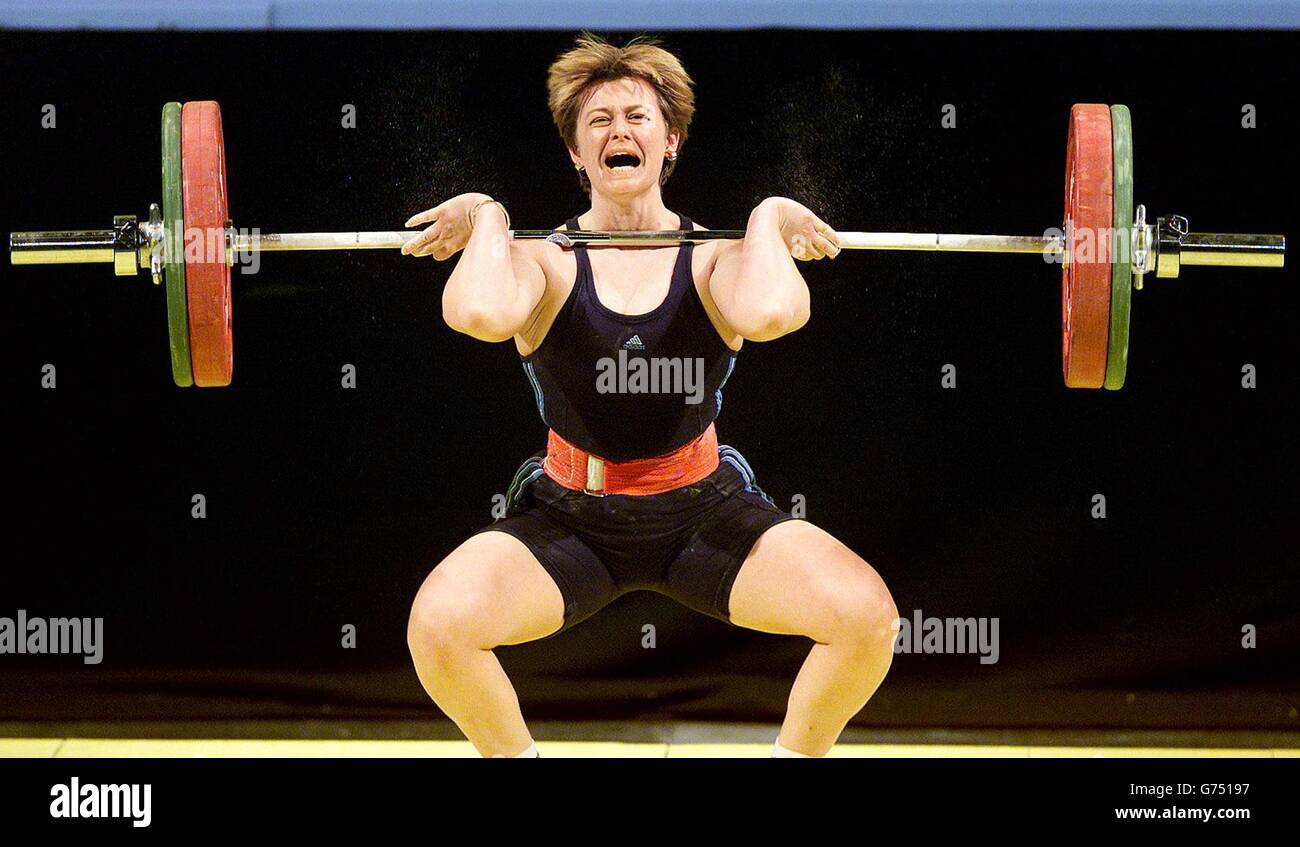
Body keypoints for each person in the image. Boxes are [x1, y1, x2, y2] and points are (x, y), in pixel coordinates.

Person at [402, 33, 898, 758]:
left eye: (637, 116)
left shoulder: (716, 259)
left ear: (670, 142)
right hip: (572, 522)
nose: (618, 131)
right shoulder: (544, 260)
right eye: (597, 120)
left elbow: (770, 314)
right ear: (576, 153)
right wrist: (489, 218)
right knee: (438, 628)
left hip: (704, 513)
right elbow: (478, 312)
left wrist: (767, 217)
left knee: (868, 618)